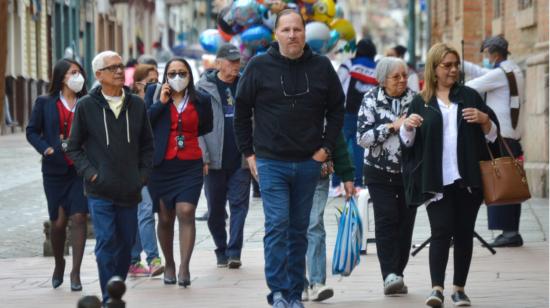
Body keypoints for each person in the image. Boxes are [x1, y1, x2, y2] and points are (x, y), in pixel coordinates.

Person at [234, 9, 345, 308]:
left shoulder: (322, 67)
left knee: (299, 230)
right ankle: (279, 292)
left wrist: (325, 149)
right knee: (277, 226)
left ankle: (295, 293)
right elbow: (241, 112)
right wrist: (249, 154)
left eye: (297, 29)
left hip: (309, 163)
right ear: (276, 33)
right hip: (271, 162)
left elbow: (337, 109)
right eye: (286, 30)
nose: (292, 35)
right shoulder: (258, 66)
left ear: (304, 33)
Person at [400, 43, 498, 307]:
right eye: (447, 65)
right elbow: (408, 145)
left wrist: (485, 120)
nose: (453, 70)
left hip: (467, 179)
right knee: (440, 231)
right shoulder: (421, 102)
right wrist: (407, 128)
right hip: (436, 179)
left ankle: (459, 289)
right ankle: (437, 289)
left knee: (465, 232)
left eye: (456, 65)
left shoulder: (470, 96)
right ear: (434, 68)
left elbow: (493, 138)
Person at [66, 50, 154, 303]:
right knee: (105, 243)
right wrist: (92, 175)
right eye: (112, 67)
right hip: (100, 190)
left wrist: (142, 176)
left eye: (120, 66)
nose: (118, 71)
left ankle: (116, 289)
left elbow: (148, 145)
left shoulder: (136, 104)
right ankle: (108, 298)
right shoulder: (85, 106)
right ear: (98, 75)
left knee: (125, 245)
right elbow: (73, 147)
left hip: (130, 189)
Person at [145, 57, 213, 287]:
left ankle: (184, 266)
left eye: (182, 73)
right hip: (162, 165)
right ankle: (170, 263)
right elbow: (144, 124)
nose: (177, 77)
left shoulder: (201, 100)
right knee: (165, 217)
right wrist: (161, 103)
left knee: (186, 210)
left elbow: (207, 125)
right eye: (172, 73)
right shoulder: (155, 94)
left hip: (190, 163)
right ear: (165, 76)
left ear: (189, 76)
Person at [26, 59, 89, 291]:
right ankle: (59, 262)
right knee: (59, 222)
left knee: (80, 217)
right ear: (62, 76)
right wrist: (46, 148)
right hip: (54, 169)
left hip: (79, 169)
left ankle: (76, 272)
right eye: (73, 72)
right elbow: (32, 131)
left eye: (80, 72)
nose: (78, 76)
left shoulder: (87, 102)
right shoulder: (45, 102)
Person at [357, 56, 417, 296]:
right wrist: (393, 126)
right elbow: (363, 138)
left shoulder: (415, 99)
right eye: (396, 77)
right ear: (382, 80)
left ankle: (398, 274)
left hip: (409, 173)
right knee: (386, 220)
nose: (402, 80)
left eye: (404, 75)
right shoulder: (370, 99)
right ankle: (389, 274)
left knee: (406, 225)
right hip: (378, 172)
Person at [463, 35, 526, 248]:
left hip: (502, 135)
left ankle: (509, 232)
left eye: (488, 54)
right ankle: (510, 231)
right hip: (512, 135)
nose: (487, 58)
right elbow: (484, 74)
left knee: (501, 183)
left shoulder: (500, 74)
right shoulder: (512, 69)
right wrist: (460, 64)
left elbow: (473, 85)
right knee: (510, 182)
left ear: (495, 53)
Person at [197, 43, 251, 269]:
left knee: (240, 205)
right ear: (218, 63)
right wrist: (203, 155)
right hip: (214, 160)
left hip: (241, 158)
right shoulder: (203, 88)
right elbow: (196, 125)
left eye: (238, 62)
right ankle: (221, 247)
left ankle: (234, 251)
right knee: (216, 210)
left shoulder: (246, 85)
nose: (235, 66)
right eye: (231, 62)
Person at [303, 133, 354, 302]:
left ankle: (316, 282)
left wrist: (347, 175)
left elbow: (335, 136)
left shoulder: (324, 107)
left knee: (314, 223)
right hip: (286, 171)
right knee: (291, 227)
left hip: (318, 173)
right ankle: (298, 283)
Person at [127, 64, 164, 277]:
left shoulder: (160, 102)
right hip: (134, 167)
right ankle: (153, 258)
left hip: (154, 167)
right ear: (139, 83)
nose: (155, 85)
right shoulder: (133, 104)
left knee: (142, 213)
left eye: (157, 80)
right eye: (150, 81)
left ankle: (132, 259)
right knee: (145, 210)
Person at [329, 38, 377, 197]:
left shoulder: (350, 64)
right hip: (366, 115)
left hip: (345, 113)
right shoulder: (376, 68)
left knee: (338, 148)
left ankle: (336, 185)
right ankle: (358, 184)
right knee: (359, 151)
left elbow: (335, 83)